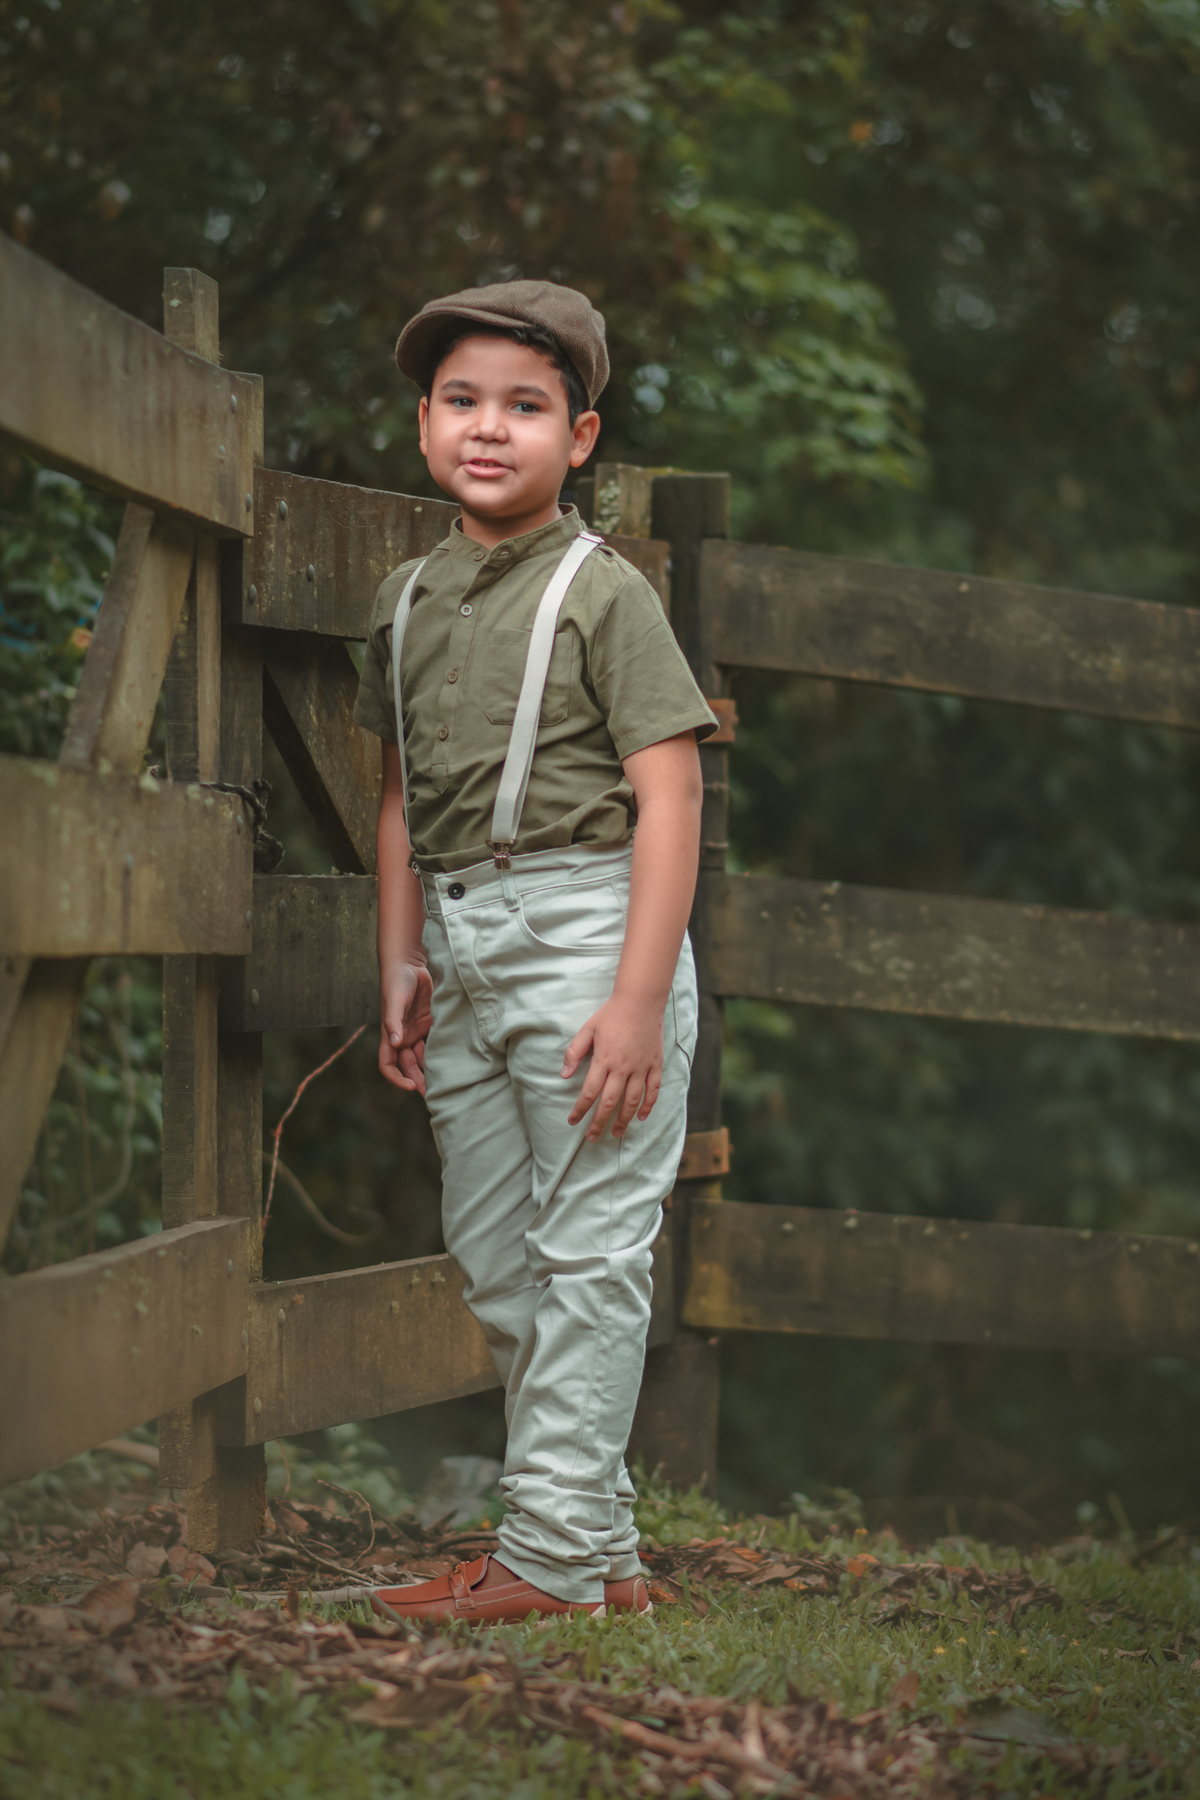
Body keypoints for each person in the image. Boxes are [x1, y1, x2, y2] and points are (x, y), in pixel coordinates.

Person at [352, 279, 717, 1622]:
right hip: (461, 944)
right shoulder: (403, 600)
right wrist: (403, 960)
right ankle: (603, 1557)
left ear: (584, 436)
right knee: (503, 1262)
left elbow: (671, 794)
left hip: (591, 933)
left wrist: (634, 1001)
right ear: (425, 423)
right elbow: (398, 796)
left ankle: (549, 1564)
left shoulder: (601, 592)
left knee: (594, 1251)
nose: (487, 428)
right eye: (461, 401)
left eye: (525, 405)